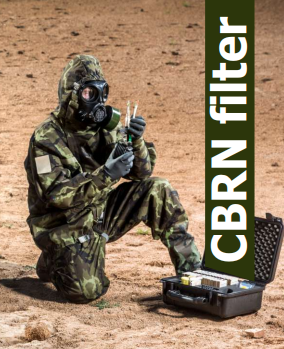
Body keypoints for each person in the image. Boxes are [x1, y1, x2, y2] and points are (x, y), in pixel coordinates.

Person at [24, 54, 201, 303]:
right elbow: (56, 197)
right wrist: (106, 174)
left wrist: (136, 142)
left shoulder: (106, 128)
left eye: (102, 92)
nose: (98, 101)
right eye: (89, 93)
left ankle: (193, 271)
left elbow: (141, 173)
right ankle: (55, 257)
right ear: (71, 95)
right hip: (62, 222)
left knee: (158, 189)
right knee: (86, 292)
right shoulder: (46, 138)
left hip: (99, 212)